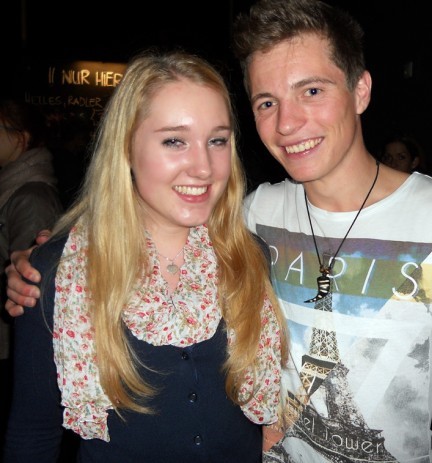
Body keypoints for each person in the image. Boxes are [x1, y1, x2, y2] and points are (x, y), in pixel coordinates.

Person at [5, 1, 432, 462]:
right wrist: (44, 266)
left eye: (311, 91)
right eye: (268, 102)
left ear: (361, 90)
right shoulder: (249, 216)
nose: (287, 123)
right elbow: (147, 222)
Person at [3, 49, 286, 462]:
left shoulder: (249, 257)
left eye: (217, 140)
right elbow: (32, 435)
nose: (204, 167)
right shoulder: (58, 274)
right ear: (126, 148)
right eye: (174, 141)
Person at [0, 98, 64, 443]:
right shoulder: (12, 185)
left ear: (20, 138)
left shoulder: (30, 195)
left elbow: (35, 285)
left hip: (11, 346)